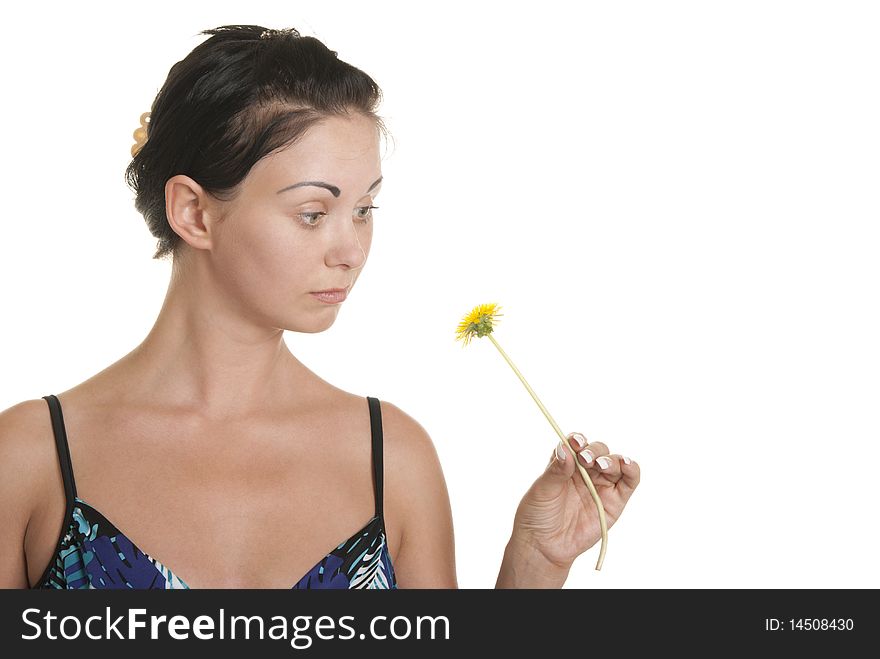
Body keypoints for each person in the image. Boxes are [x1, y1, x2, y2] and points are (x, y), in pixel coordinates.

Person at [0, 24, 640, 589]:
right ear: (193, 212)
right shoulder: (29, 458)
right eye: (313, 212)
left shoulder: (392, 455)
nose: (352, 249)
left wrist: (536, 561)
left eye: (364, 209)